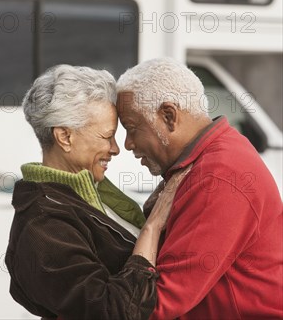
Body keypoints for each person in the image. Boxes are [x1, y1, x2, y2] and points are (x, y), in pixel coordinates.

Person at [5, 64, 190, 320]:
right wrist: (152, 227)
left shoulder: (94, 194)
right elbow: (112, 311)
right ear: (65, 137)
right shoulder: (42, 225)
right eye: (107, 136)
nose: (116, 148)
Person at [117, 57, 283, 320]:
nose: (126, 144)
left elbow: (155, 304)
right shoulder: (210, 157)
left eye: (132, 128)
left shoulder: (218, 175)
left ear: (169, 116)